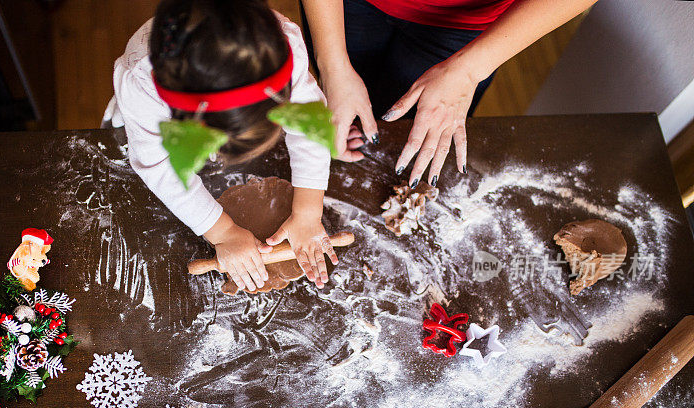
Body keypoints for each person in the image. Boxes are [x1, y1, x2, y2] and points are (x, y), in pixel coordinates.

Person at [111, 0, 337, 293]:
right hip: (145, 120)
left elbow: (309, 125)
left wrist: (308, 210)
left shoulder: (284, 49)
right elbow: (159, 166)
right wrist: (222, 231)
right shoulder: (142, 89)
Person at [301, 0, 597, 187]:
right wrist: (333, 66)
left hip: (466, 27)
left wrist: (469, 71)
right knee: (348, 117)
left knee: (398, 147)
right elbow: (335, 78)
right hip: (345, 7)